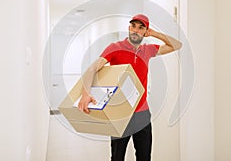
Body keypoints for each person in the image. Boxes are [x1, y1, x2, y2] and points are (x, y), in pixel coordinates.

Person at [78, 14, 182, 161]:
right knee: (117, 157)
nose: (136, 30)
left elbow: (176, 45)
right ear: (129, 27)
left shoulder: (148, 50)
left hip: (142, 115)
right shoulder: (115, 48)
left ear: (146, 31)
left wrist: (155, 34)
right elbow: (91, 69)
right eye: (133, 26)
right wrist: (85, 94)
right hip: (120, 114)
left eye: (141, 28)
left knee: (144, 157)